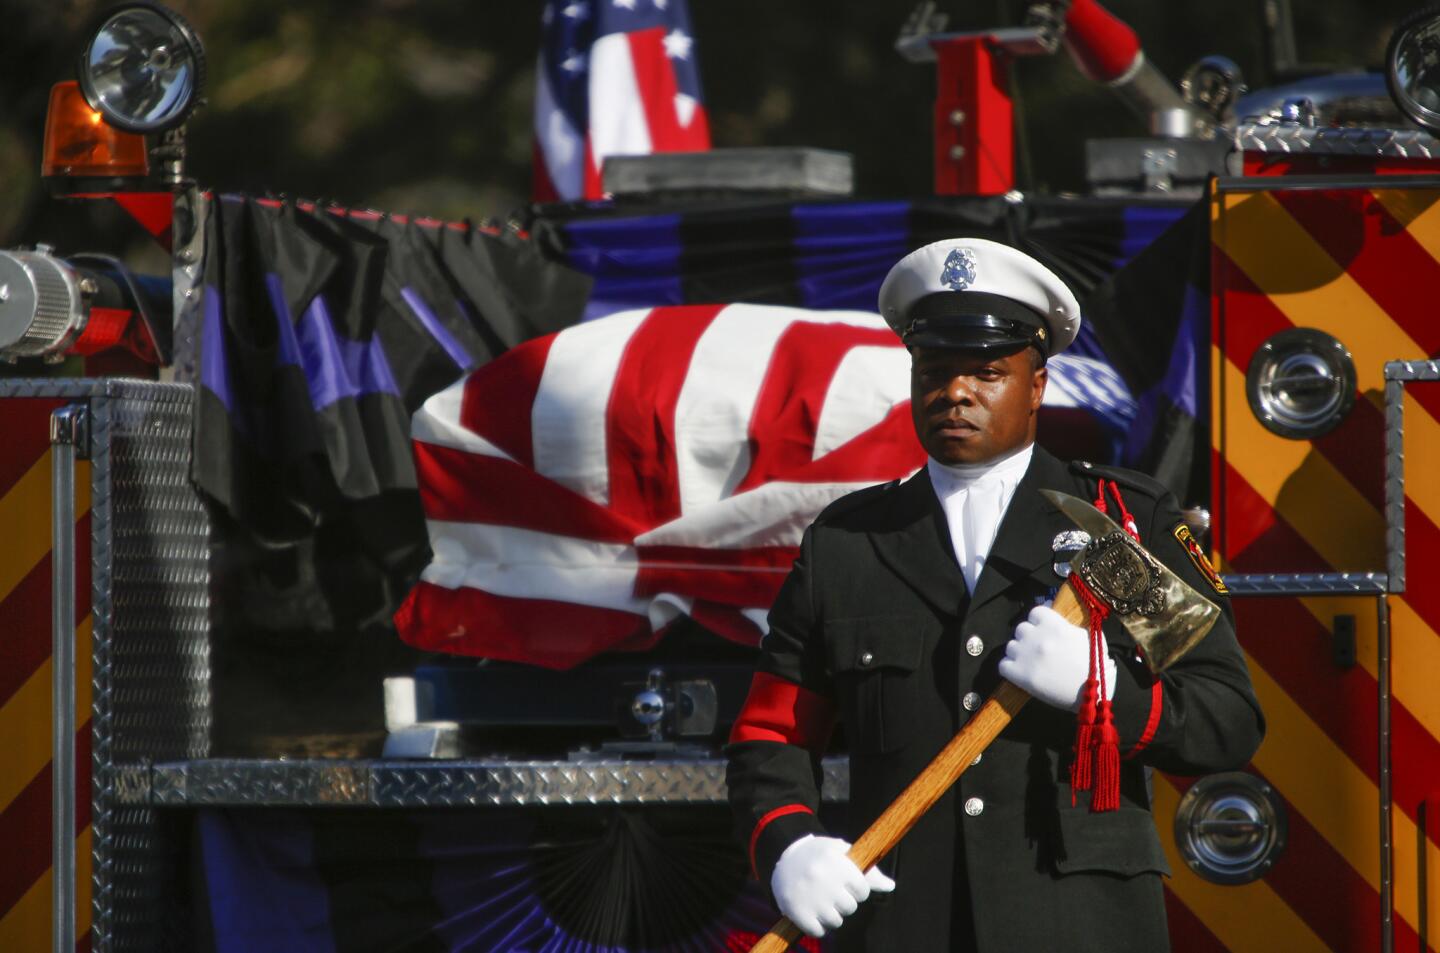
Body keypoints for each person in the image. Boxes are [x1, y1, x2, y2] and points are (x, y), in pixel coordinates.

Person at [724, 238, 1264, 952]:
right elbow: (772, 734)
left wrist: (1100, 688)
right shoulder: (849, 543)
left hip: (1080, 924)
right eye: (936, 371)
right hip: (904, 925)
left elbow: (1228, 717)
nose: (956, 393)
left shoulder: (1122, 528)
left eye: (986, 372)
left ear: (1036, 385)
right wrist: (789, 844)